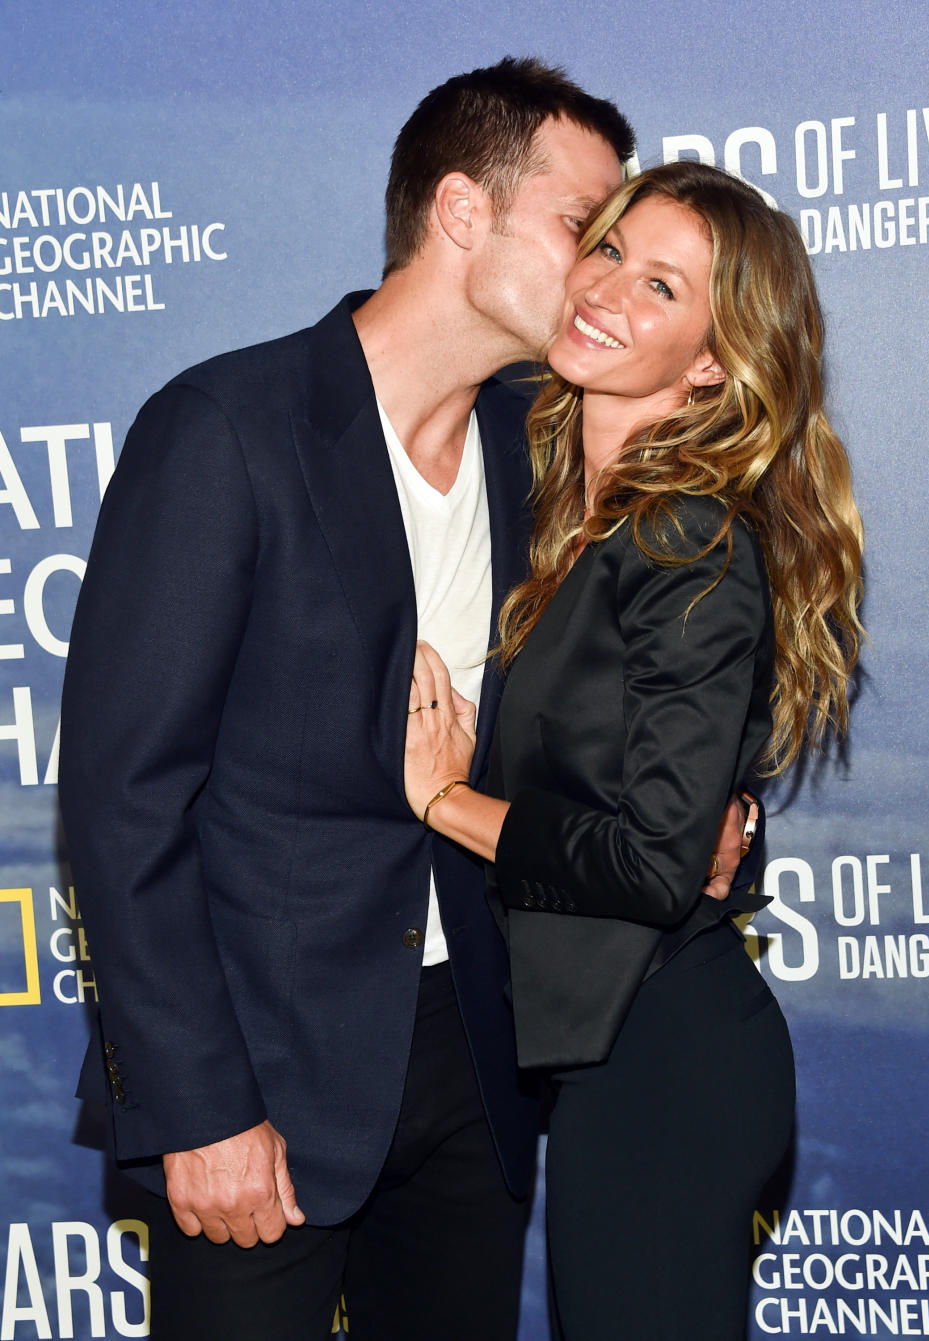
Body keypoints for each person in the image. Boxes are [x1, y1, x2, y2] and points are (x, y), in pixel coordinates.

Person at [57, 57, 636, 1341]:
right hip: (257, 1082)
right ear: (461, 211)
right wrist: (196, 1106)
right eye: (580, 229)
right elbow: (122, 801)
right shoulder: (229, 427)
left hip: (476, 1070)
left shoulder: (539, 445)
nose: (601, 275)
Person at [402, 160, 864, 1340]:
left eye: (661, 285)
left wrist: (448, 799)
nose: (607, 289)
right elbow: (664, 806)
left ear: (713, 359)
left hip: (665, 1062)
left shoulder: (687, 535)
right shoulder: (572, 512)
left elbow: (657, 864)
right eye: (607, 250)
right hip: (613, 1053)